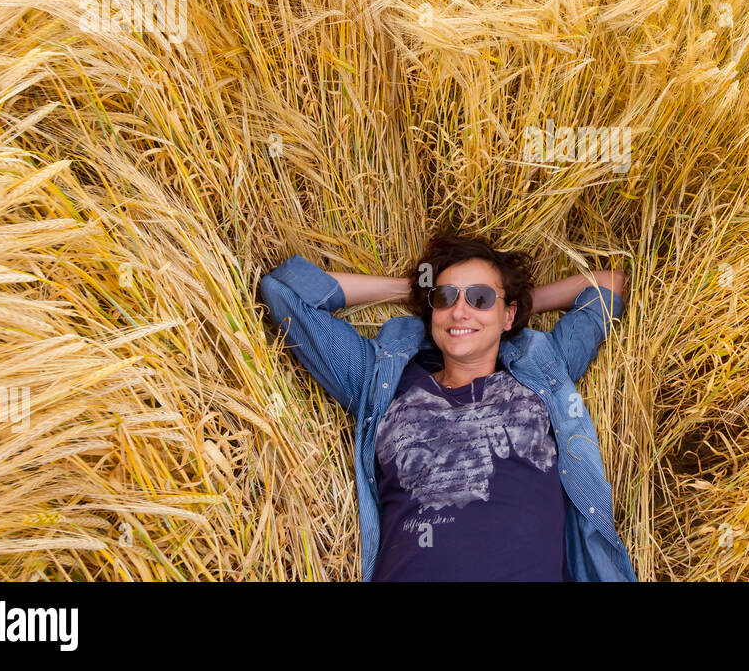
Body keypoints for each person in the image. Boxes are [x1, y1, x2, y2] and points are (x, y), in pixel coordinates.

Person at [256, 227, 636, 581]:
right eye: (445, 297)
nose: (460, 310)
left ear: (509, 313)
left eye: (480, 298)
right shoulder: (381, 379)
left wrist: (513, 313)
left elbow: (607, 286)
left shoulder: (544, 369)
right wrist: (413, 291)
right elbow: (285, 291)